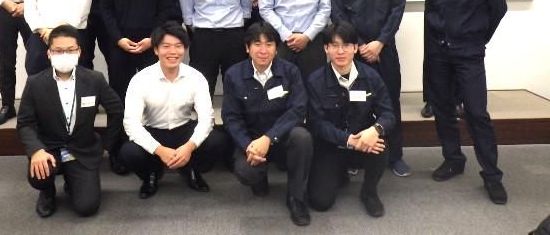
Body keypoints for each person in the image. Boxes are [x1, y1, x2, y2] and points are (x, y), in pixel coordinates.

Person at [424, 0, 508, 205]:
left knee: (476, 112)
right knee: (443, 109)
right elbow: (431, 16)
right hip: (440, 55)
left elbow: (498, 8)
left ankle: (492, 175)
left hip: (469, 54)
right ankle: (453, 159)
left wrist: (478, 38)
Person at [16, 24, 124, 218]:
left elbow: (116, 111)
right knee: (39, 176)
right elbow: (25, 123)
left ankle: (73, 181)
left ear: (79, 52)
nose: (64, 55)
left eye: (70, 50)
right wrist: (36, 150)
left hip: (82, 149)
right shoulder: (35, 83)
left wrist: (107, 144)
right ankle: (47, 190)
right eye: (58, 50)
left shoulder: (95, 79)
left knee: (87, 207)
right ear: (49, 53)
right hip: (49, 149)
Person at [331, 0, 409, 176]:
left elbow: (397, 10)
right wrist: (361, 45)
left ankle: (395, 156)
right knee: (356, 102)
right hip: (355, 53)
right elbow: (338, 15)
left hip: (385, 50)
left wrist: (380, 42)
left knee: (390, 101)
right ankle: (356, 156)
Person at [119, 23, 228, 199]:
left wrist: (189, 147)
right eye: (166, 46)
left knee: (218, 140)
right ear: (156, 50)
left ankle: (190, 169)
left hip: (183, 128)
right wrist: (159, 150)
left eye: (178, 46)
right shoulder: (141, 79)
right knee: (128, 152)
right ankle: (151, 174)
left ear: (185, 49)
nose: (173, 52)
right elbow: (131, 124)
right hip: (153, 130)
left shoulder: (196, 77)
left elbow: (206, 119)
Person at [222, 21, 313, 226]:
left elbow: (297, 110)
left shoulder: (290, 71)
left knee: (302, 137)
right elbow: (231, 117)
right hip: (251, 141)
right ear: (247, 48)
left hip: (282, 138)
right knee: (246, 172)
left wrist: (269, 138)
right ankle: (259, 177)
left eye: (269, 44)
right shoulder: (234, 75)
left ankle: (296, 198)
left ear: (276, 48)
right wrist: (249, 146)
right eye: (257, 44)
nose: (263, 50)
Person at [306, 22, 395, 218]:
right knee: (320, 202)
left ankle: (369, 192)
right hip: (330, 146)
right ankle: (338, 173)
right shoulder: (315, 80)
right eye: (334, 45)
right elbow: (317, 124)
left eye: (346, 45)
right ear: (326, 49)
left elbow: (388, 114)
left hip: (362, 142)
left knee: (380, 144)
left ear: (355, 48)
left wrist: (375, 129)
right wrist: (347, 140)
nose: (340, 51)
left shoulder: (371, 77)